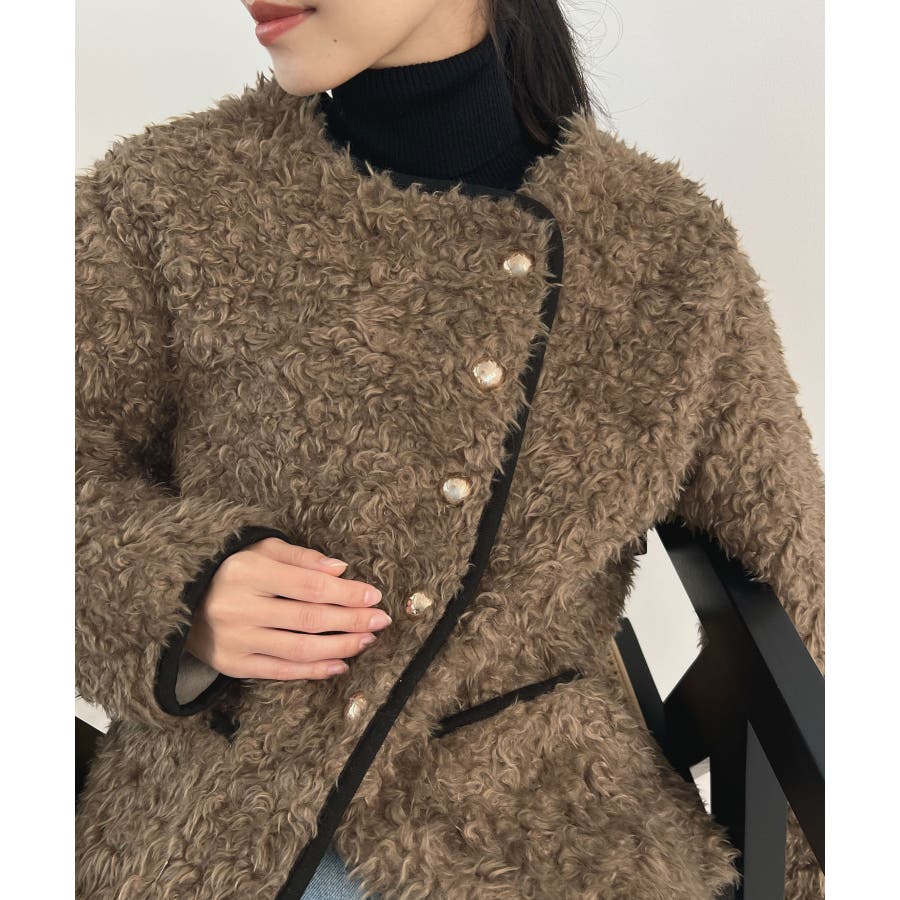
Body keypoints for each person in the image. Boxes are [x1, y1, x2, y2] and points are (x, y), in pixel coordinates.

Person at [75, 2, 824, 899]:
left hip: (549, 833)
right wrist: (174, 594)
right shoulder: (167, 195)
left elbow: (798, 584)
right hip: (213, 812)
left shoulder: (670, 254)